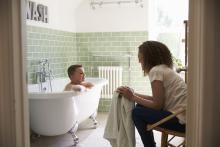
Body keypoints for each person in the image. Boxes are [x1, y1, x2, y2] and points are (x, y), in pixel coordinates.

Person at [116, 41, 187, 147]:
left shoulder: (156, 71)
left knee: (137, 112)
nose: (139, 61)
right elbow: (156, 99)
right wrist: (132, 94)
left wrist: (132, 96)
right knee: (140, 106)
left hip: (180, 121)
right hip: (184, 118)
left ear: (148, 57)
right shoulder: (164, 69)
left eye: (140, 57)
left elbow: (157, 105)